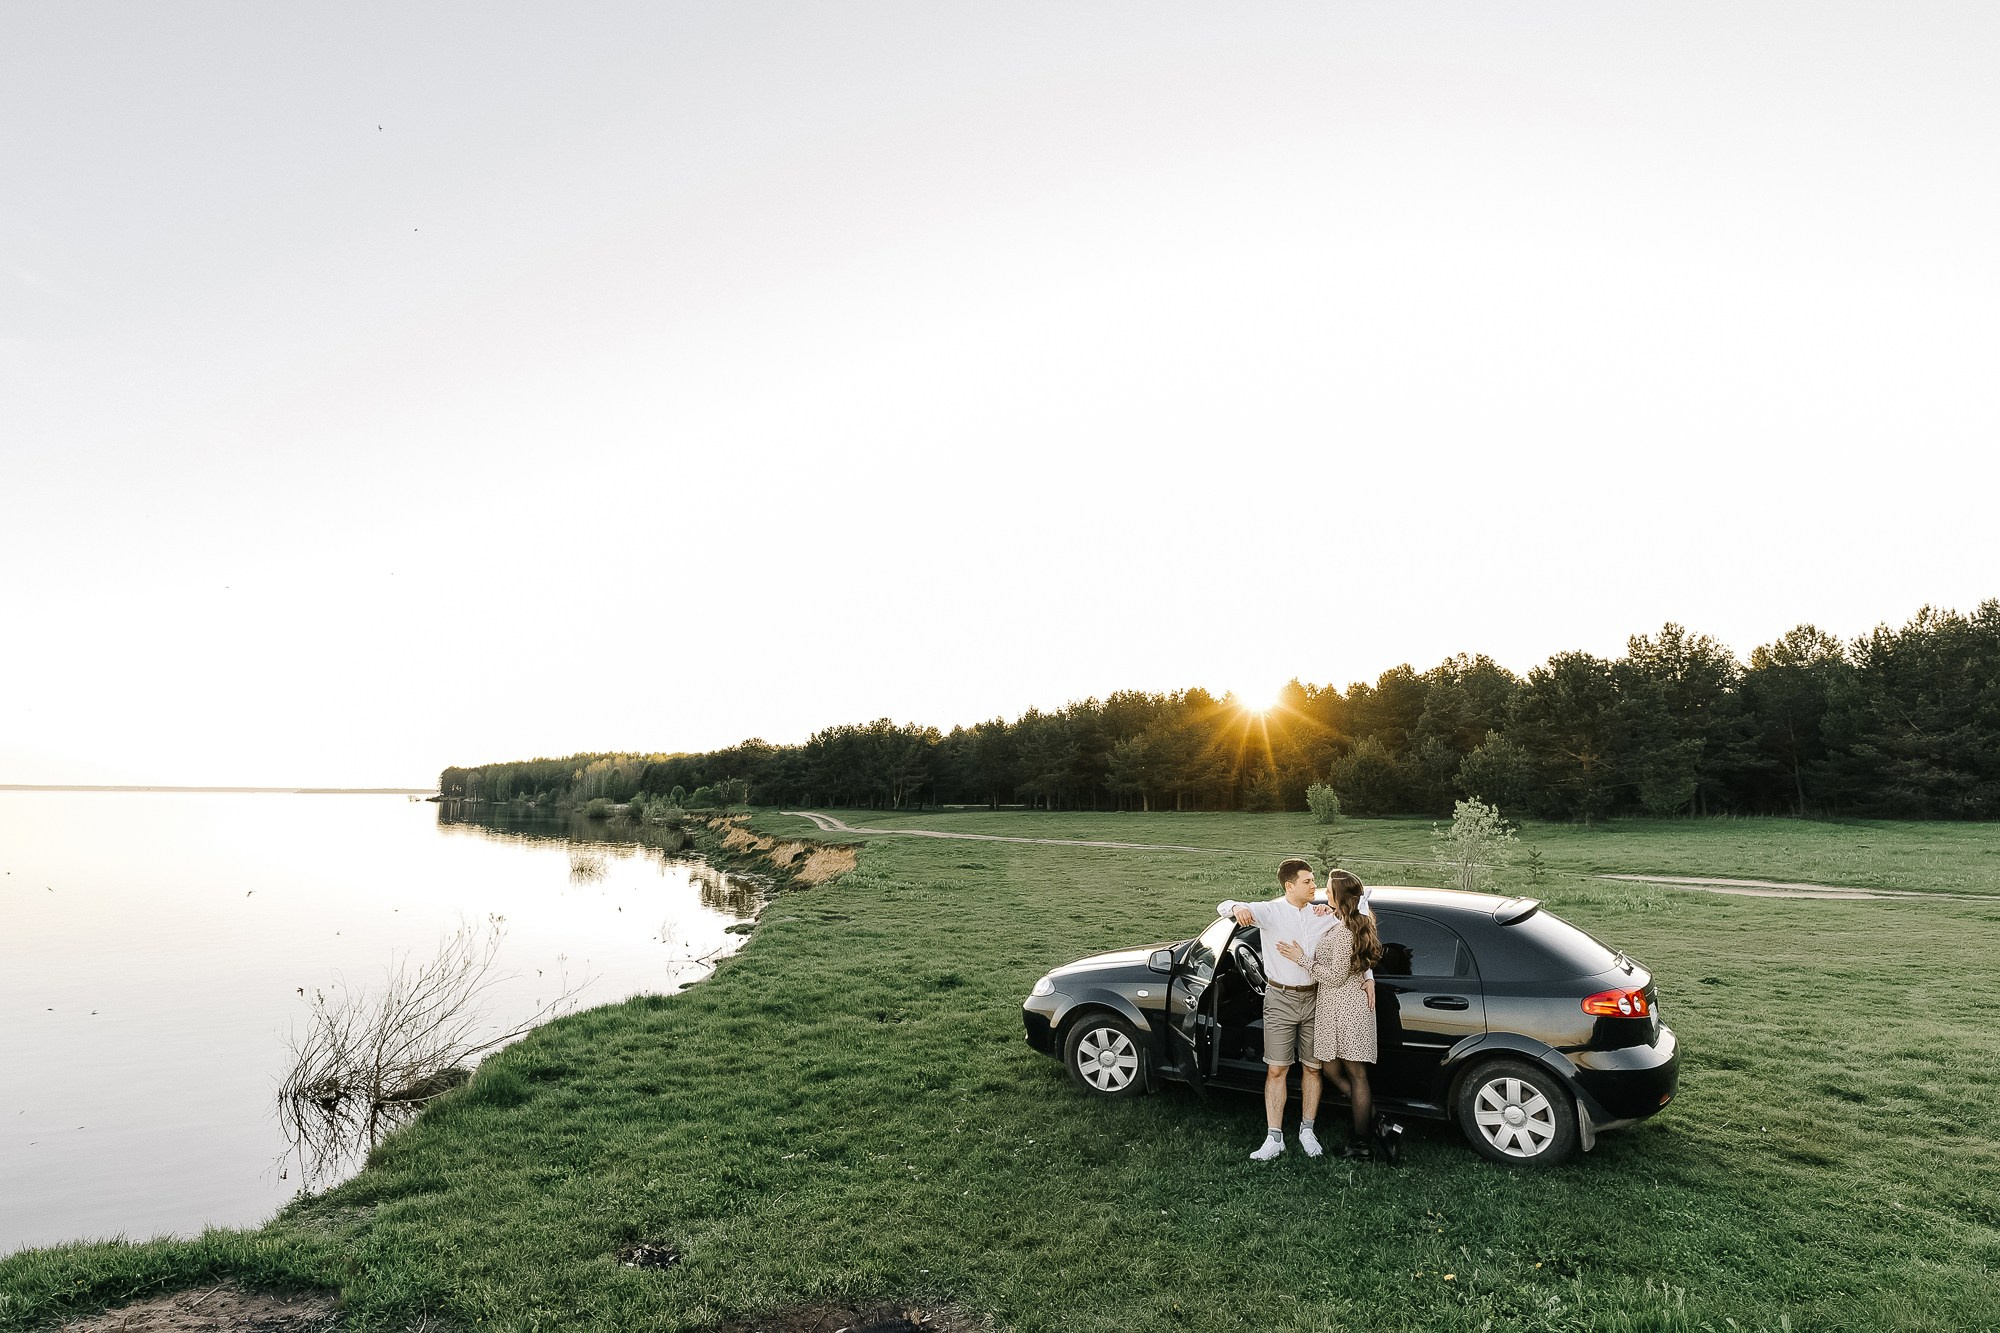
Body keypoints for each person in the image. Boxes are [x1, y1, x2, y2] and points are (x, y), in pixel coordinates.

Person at [1216, 858, 1337, 1161]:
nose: (1314, 886)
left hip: (1315, 999)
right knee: (1277, 1069)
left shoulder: (1323, 913)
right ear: (1290, 886)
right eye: (1308, 881)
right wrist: (1236, 909)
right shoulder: (1270, 911)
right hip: (1280, 999)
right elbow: (1224, 905)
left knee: (1313, 1067)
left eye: (1314, 881)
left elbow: (1362, 914)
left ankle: (1307, 1131)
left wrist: (1332, 910)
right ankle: (1274, 1138)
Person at [1275, 868, 1394, 1162]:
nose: (1323, 894)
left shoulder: (1345, 933)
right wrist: (1322, 913)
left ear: (1340, 897)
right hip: (1336, 1007)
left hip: (1347, 1008)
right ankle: (1380, 1122)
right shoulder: (1346, 921)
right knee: (1330, 1069)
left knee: (1356, 1074)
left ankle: (1361, 1145)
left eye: (1328, 891)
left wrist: (1300, 958)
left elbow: (1336, 977)